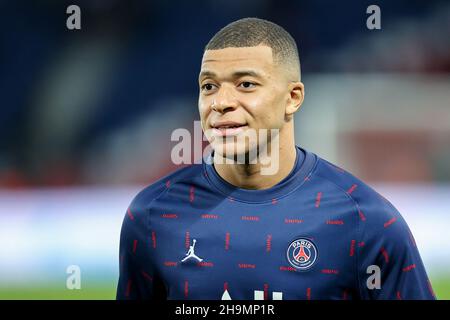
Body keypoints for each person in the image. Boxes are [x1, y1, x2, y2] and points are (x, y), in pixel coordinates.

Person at [116, 17, 435, 300]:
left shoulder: (367, 222)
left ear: (292, 98)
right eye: (209, 86)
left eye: (246, 84)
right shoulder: (152, 216)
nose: (221, 102)